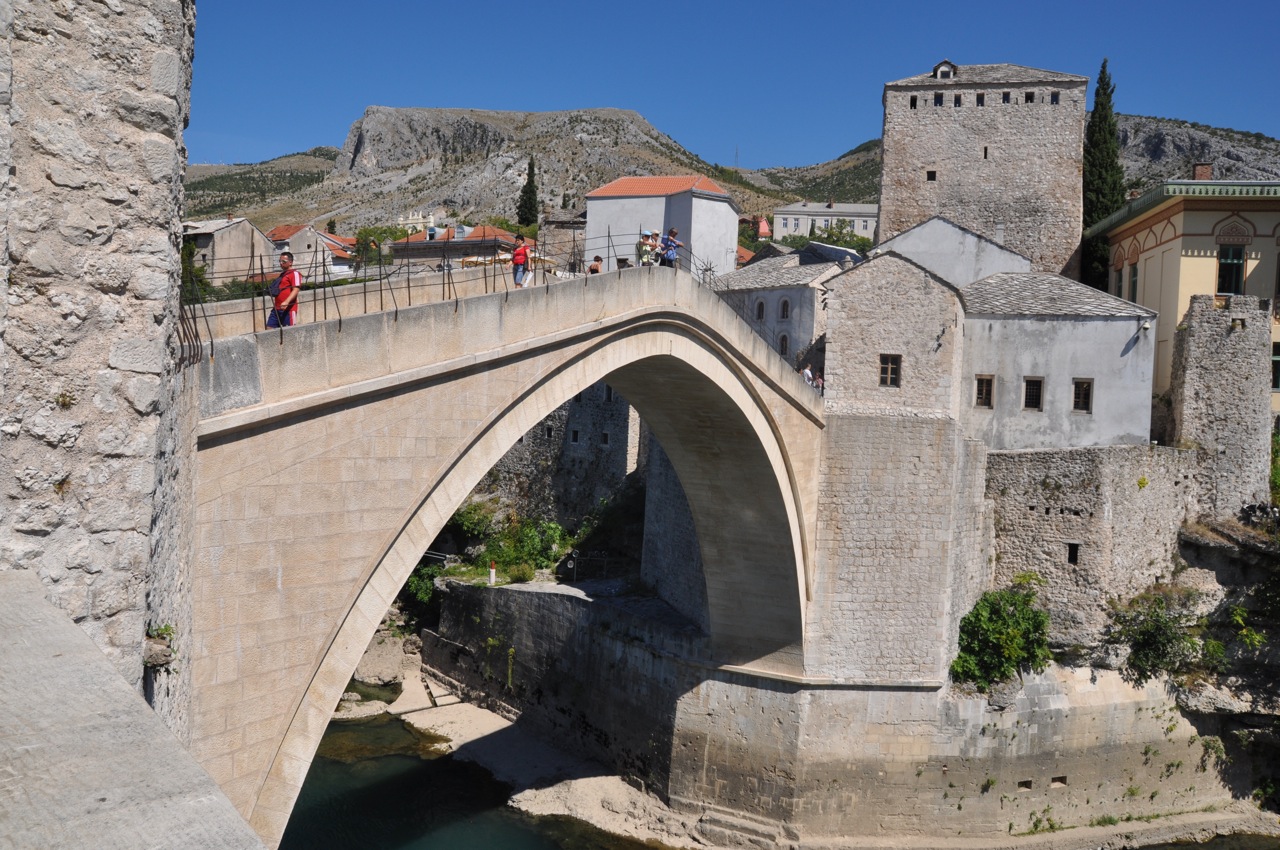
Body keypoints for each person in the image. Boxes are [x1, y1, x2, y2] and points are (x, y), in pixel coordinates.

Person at [267, 251, 301, 328]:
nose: (281, 263)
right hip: (277, 308)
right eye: (280, 261)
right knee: (269, 329)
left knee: (289, 332)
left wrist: (286, 302)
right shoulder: (282, 274)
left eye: (283, 261)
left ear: (290, 262)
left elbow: (296, 290)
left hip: (289, 309)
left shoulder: (294, 274)